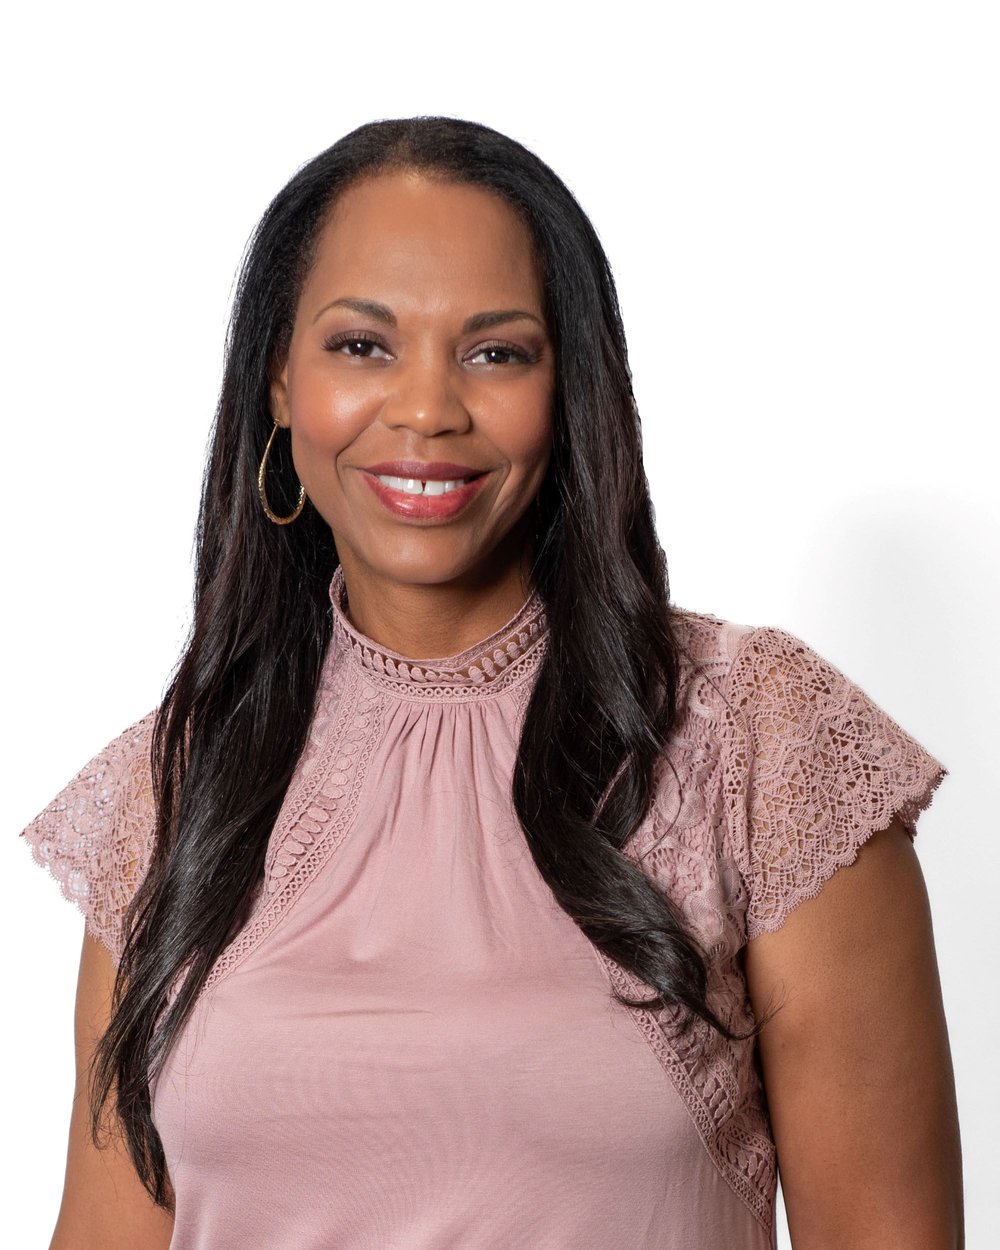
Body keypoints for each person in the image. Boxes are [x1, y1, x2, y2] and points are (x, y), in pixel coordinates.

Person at [19, 116, 962, 1250]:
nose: (427, 409)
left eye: (496, 352)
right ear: (277, 383)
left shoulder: (758, 734)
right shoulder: (175, 785)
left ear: (571, 388)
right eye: (361, 345)